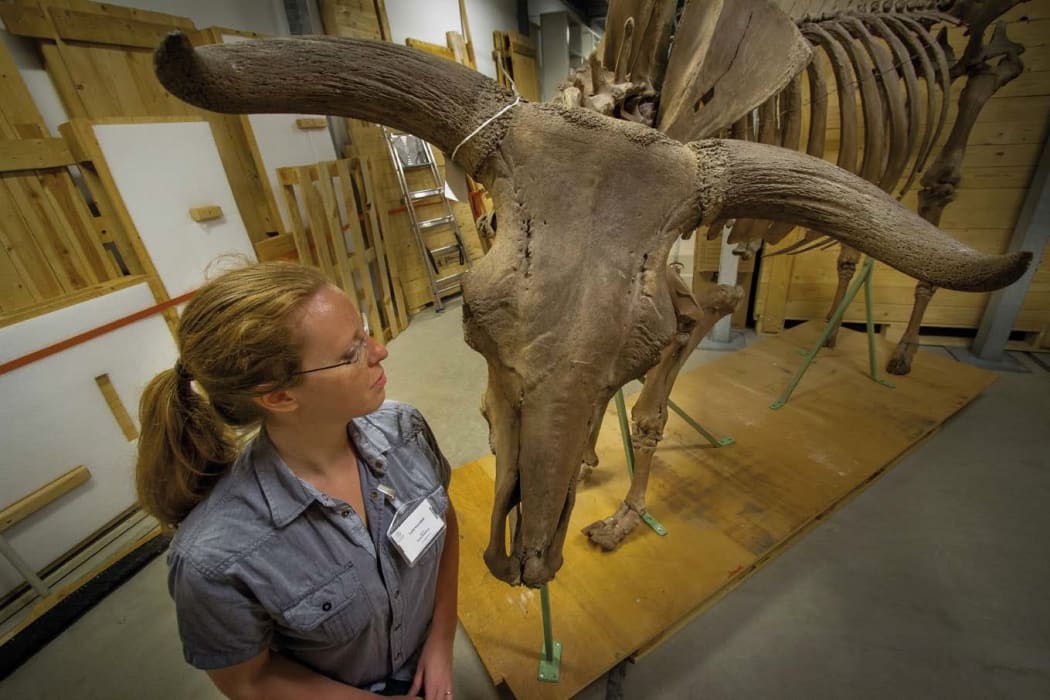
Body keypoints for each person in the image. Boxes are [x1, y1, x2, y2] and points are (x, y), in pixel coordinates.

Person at [135, 261, 458, 699]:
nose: (380, 351)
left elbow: (443, 520)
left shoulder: (405, 430)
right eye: (350, 353)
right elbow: (250, 680)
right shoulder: (214, 558)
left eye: (364, 332)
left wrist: (440, 639)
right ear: (279, 396)